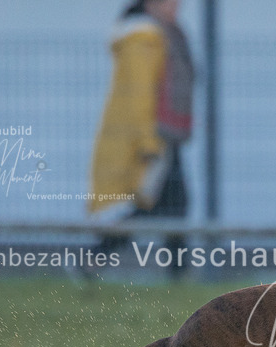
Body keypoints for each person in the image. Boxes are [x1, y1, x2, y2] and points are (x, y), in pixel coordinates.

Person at [88, 0, 195, 278]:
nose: (176, 7)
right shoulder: (144, 38)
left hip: (164, 138)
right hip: (153, 140)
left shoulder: (162, 35)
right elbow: (138, 95)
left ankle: (177, 274)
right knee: (163, 205)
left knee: (168, 204)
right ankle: (94, 259)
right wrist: (148, 144)